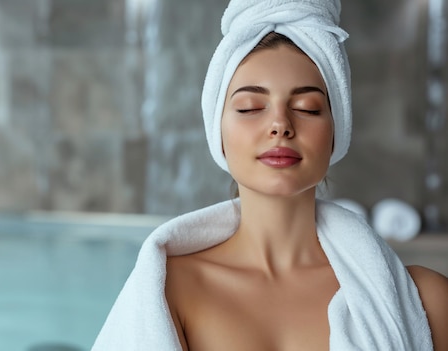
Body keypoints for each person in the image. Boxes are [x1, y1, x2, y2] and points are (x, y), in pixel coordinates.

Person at [92, 1, 448, 350]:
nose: (280, 125)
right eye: (250, 108)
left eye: (307, 108)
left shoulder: (426, 303)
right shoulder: (169, 293)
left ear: (337, 129)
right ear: (218, 131)